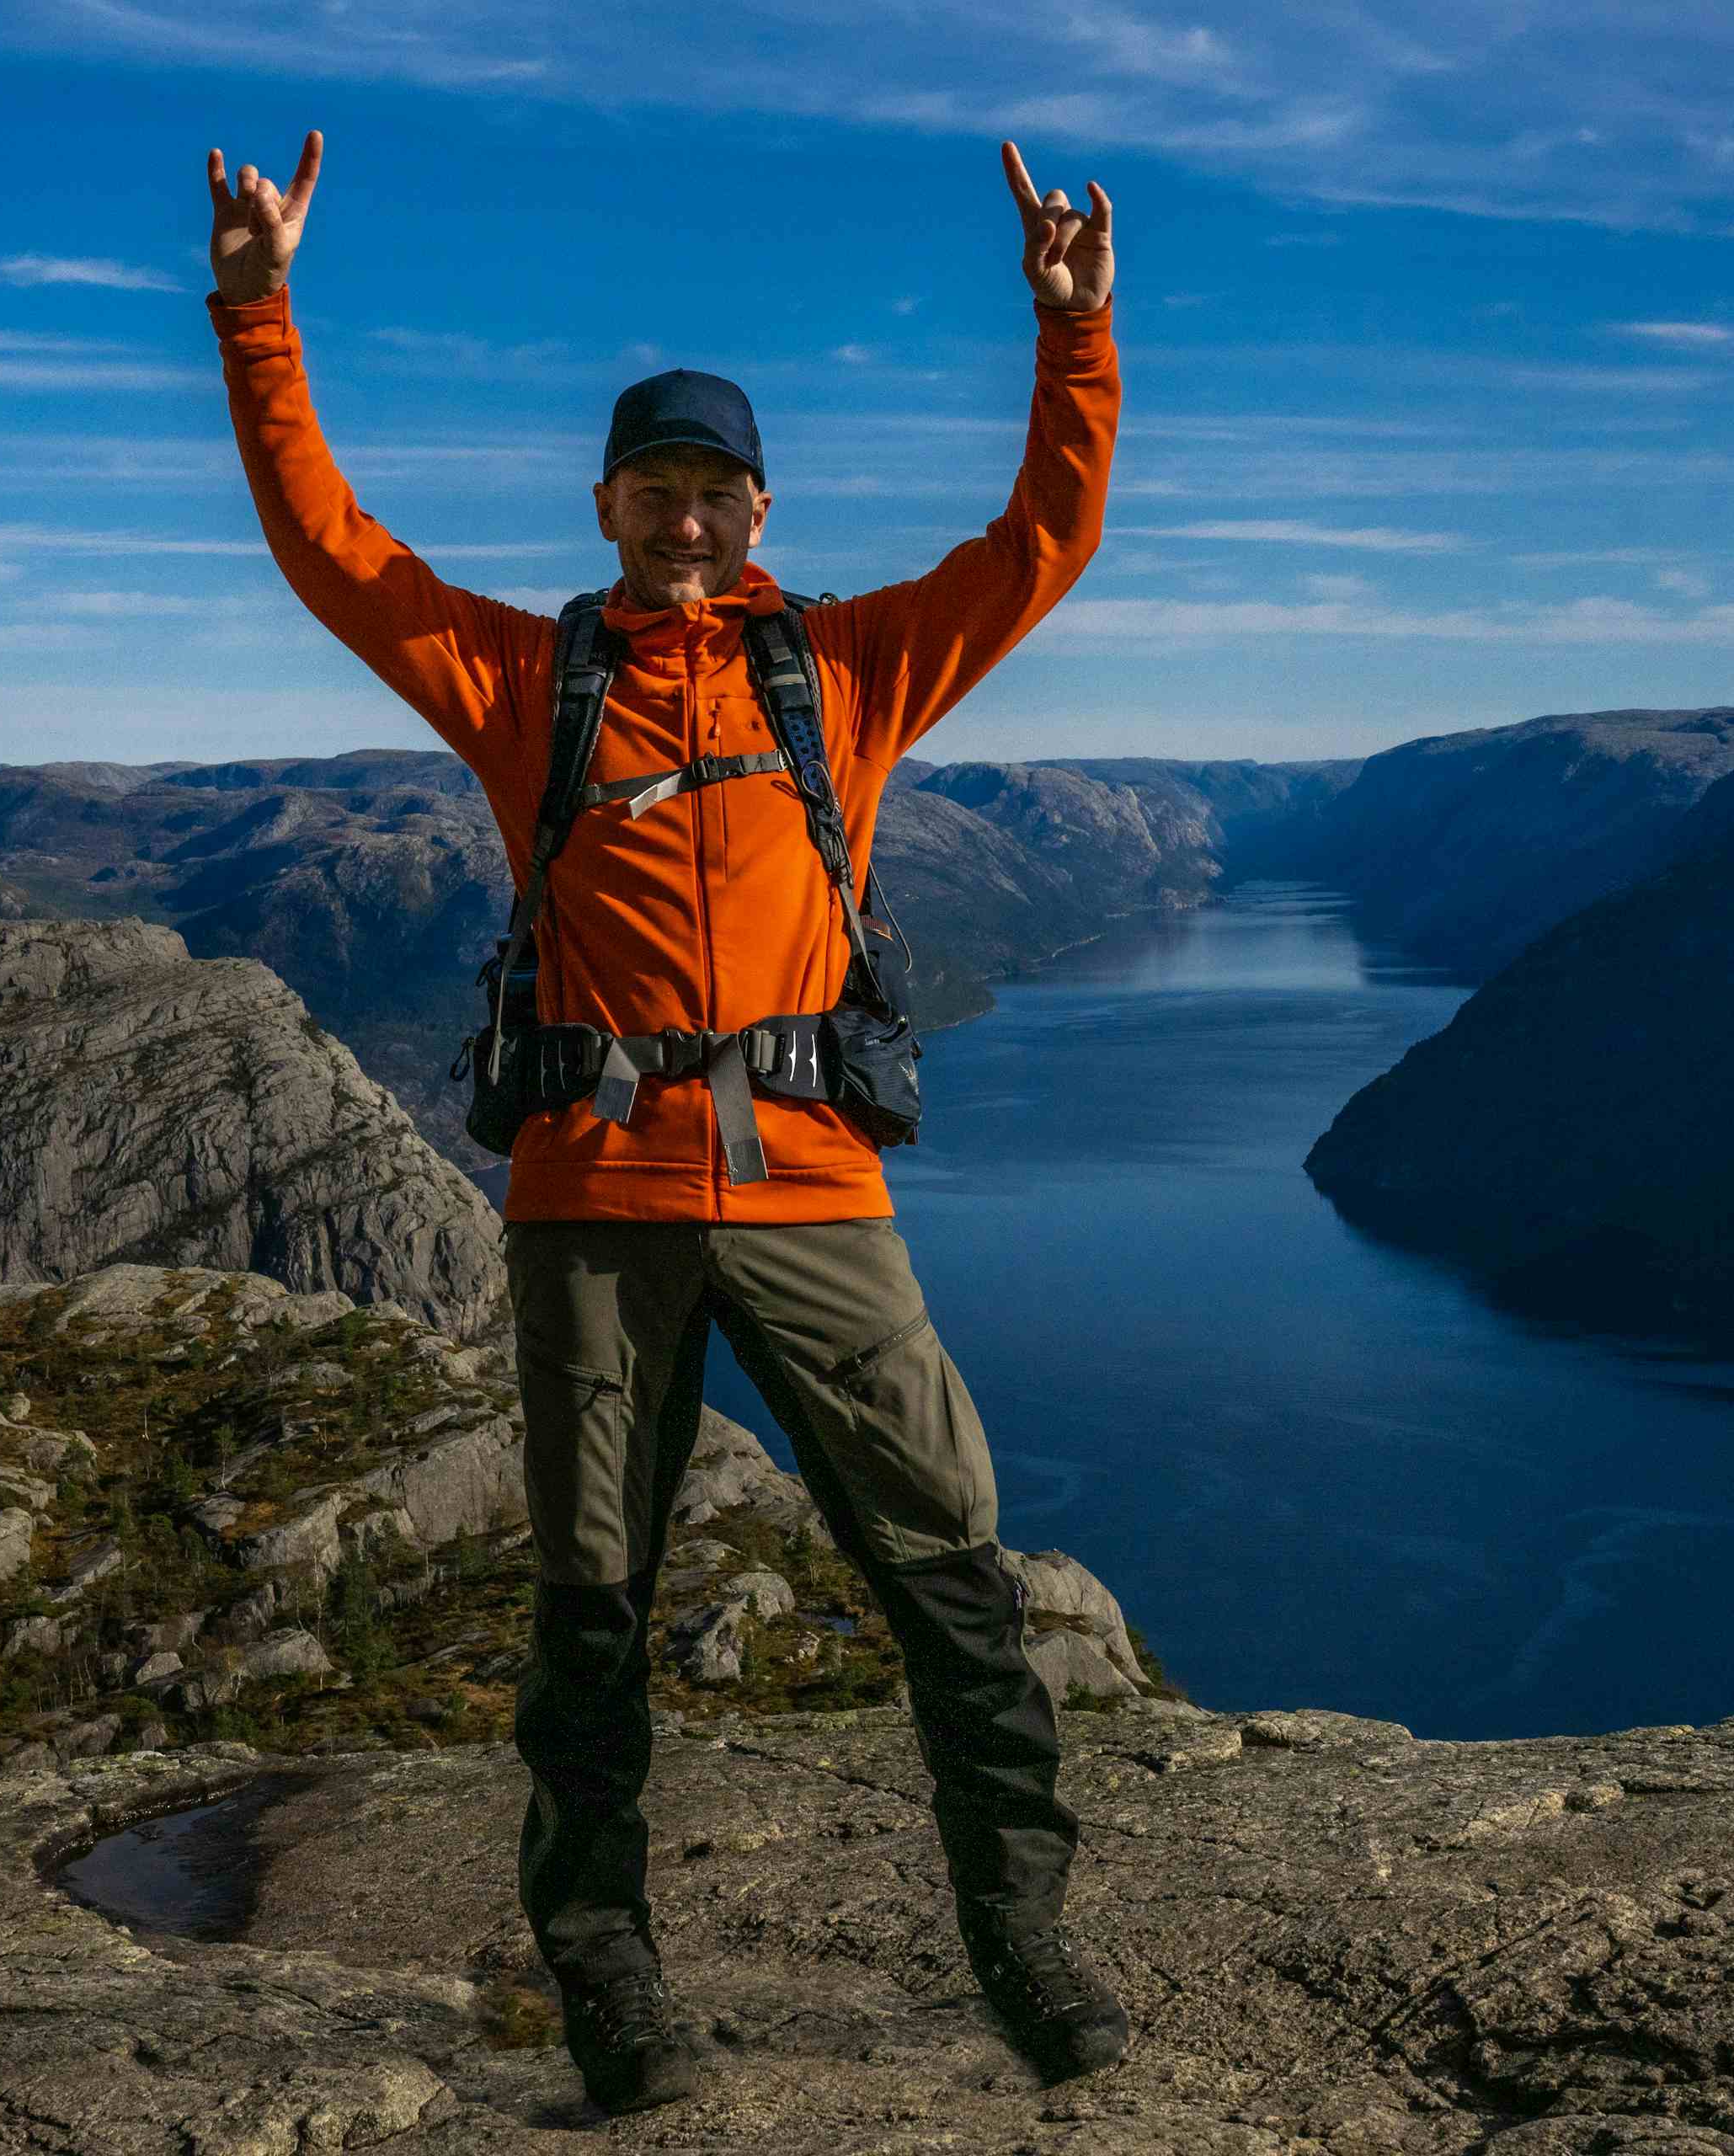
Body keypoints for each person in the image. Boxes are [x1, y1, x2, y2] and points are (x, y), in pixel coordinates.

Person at [200, 128, 1127, 2114]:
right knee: (594, 1610)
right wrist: (259, 310)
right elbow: (335, 551)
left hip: (812, 1189)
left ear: (756, 505)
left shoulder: (843, 672)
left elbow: (1036, 549)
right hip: (593, 1196)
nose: (686, 522)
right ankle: (608, 1968)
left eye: (714, 492)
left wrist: (1074, 336)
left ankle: (1025, 1938)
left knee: (947, 1565)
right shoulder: (532, 680)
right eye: (656, 491)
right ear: (607, 504)